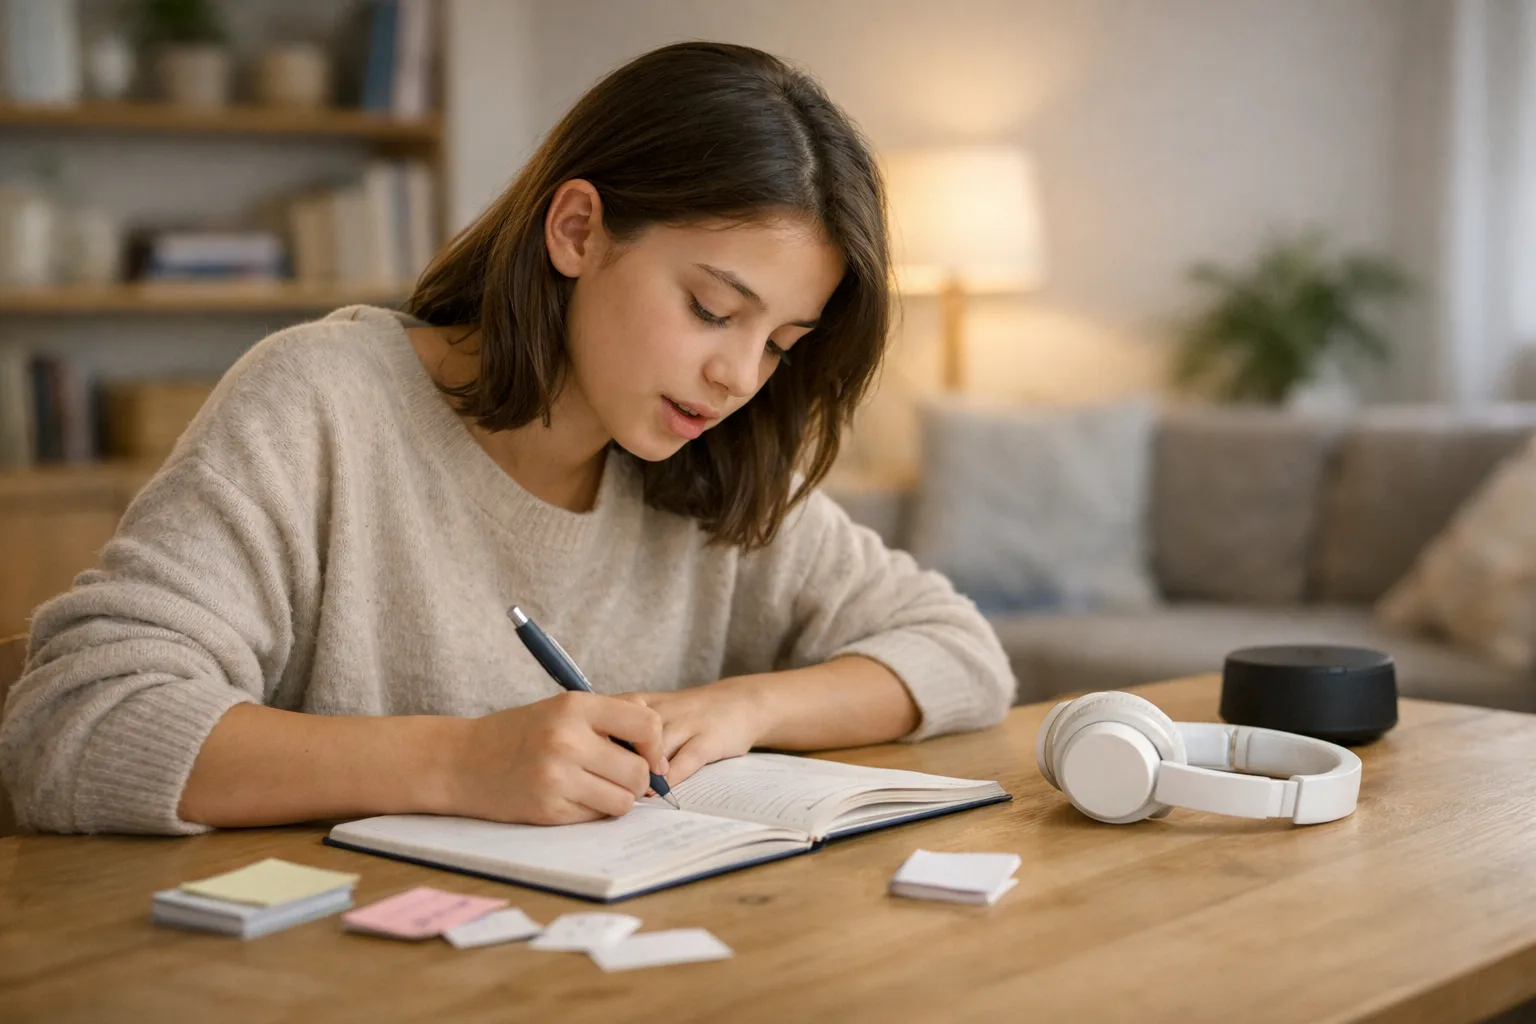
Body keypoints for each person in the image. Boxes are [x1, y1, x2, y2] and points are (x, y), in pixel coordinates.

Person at [0, 41, 1015, 836]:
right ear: (576, 230)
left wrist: (744, 709)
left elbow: (963, 656)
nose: (740, 376)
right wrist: (456, 762)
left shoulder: (718, 461)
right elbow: (75, 727)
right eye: (713, 308)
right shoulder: (322, 403)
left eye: (781, 345)